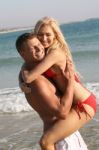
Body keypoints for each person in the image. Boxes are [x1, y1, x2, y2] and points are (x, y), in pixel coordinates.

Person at [20, 17, 97, 150]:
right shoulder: (44, 54)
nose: (44, 38)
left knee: (45, 142)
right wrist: (21, 81)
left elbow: (29, 76)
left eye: (48, 34)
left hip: (84, 104)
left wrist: (24, 80)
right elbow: (25, 66)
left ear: (55, 35)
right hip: (72, 103)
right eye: (40, 35)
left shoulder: (55, 53)